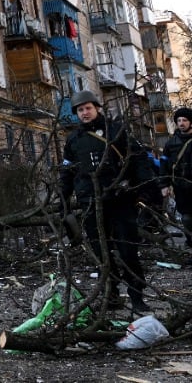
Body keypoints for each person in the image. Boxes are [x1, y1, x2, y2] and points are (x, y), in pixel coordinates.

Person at [60, 89, 153, 313]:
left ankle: (136, 296)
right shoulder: (73, 139)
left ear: (97, 108)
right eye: (80, 110)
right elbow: (67, 172)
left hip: (120, 201)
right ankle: (110, 295)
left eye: (88, 108)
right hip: (91, 203)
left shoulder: (116, 131)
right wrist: (64, 200)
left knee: (127, 250)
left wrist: (142, 190)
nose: (84, 113)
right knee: (101, 253)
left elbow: (139, 160)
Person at [163, 107, 192, 242]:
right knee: (186, 218)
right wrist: (164, 185)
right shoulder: (171, 144)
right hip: (181, 187)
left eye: (185, 120)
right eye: (179, 120)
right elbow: (164, 164)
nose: (181, 123)